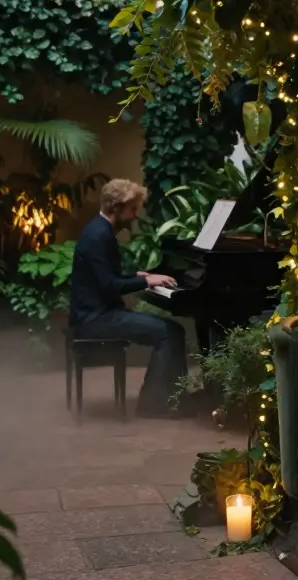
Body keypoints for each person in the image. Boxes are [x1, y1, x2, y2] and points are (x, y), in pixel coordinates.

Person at [69, 178, 189, 418]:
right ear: (116, 208)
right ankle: (154, 404)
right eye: (132, 209)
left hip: (97, 313)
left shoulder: (99, 230)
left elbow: (105, 276)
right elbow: (109, 285)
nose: (135, 215)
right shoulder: (98, 237)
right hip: (96, 319)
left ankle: (175, 399)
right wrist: (146, 281)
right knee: (169, 332)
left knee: (173, 330)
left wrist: (136, 275)